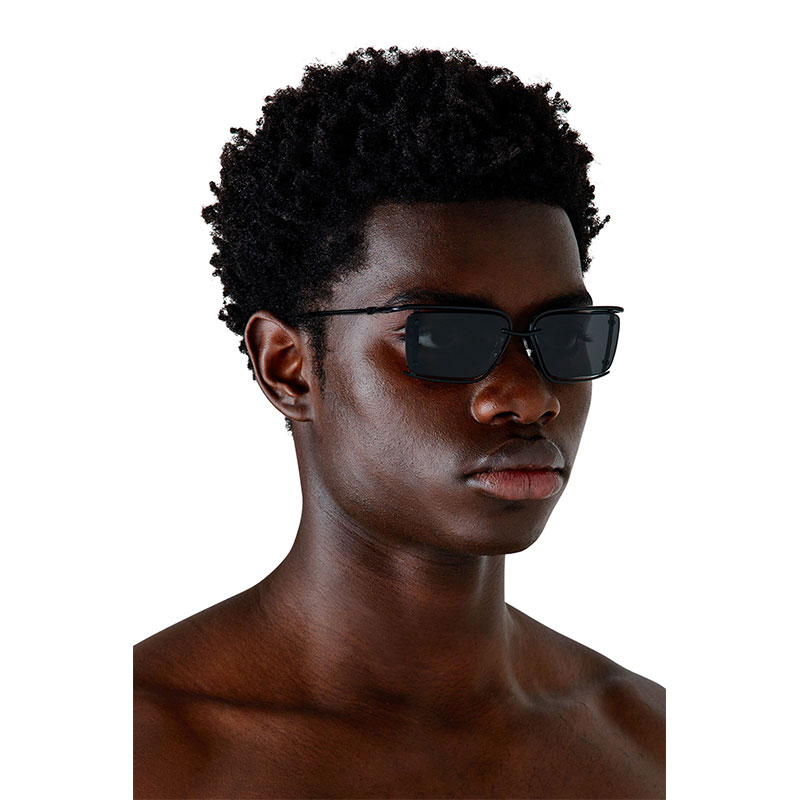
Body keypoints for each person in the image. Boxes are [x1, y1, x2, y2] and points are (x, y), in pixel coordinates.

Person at [134, 45, 665, 799]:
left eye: (566, 336)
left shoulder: (655, 744)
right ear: (288, 367)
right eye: (444, 338)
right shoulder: (129, 753)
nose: (528, 396)